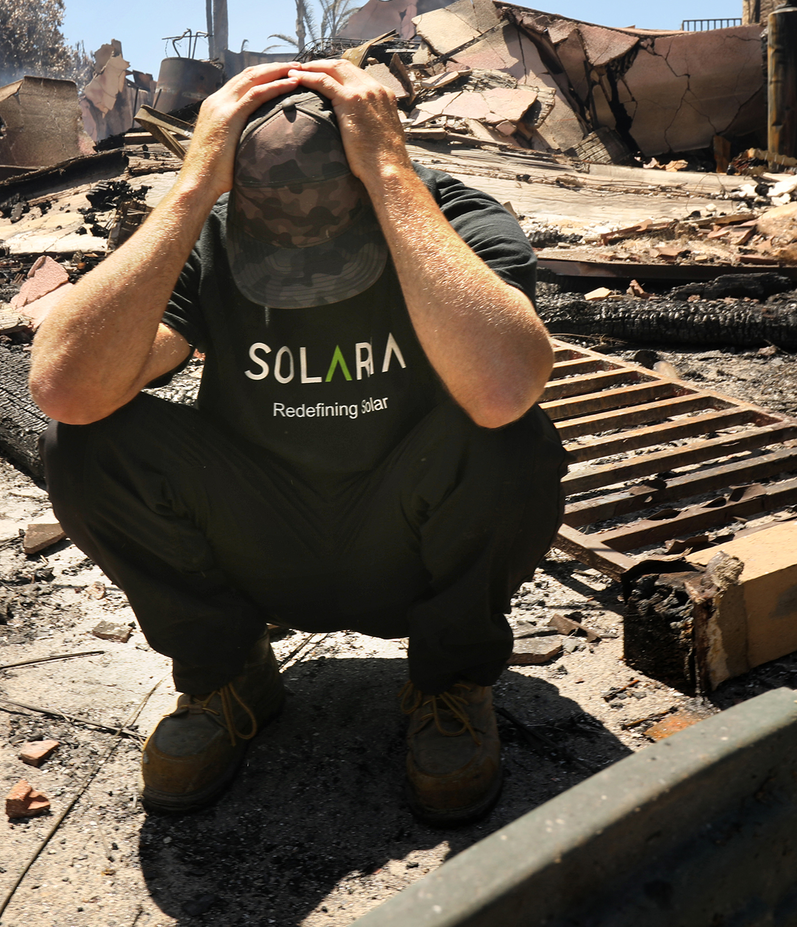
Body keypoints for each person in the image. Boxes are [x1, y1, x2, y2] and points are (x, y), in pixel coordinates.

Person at [29, 58, 564, 825]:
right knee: (84, 442)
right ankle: (227, 677)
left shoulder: (445, 214)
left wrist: (387, 171)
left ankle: (451, 683)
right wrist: (191, 189)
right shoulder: (213, 231)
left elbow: (506, 382)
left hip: (406, 543)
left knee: (513, 436)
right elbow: (65, 385)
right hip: (262, 538)